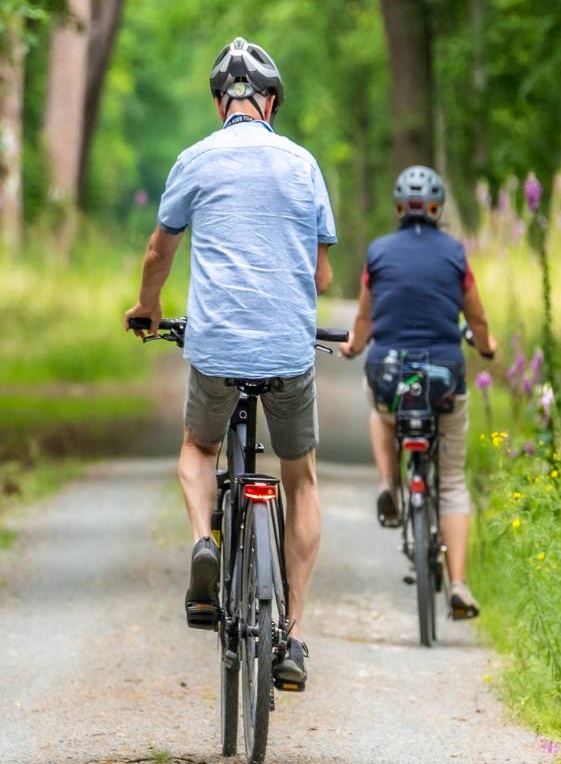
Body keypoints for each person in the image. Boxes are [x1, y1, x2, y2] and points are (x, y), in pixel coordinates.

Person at [124, 37, 336, 685]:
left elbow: (158, 256)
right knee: (300, 479)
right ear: (270, 102)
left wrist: (148, 309)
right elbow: (324, 276)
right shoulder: (302, 165)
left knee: (197, 449)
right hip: (288, 351)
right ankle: (292, 639)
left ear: (222, 103)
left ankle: (205, 541)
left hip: (216, 346)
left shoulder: (194, 159)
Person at [339, 165, 497, 619]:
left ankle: (389, 484)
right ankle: (460, 585)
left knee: (380, 411)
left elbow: (365, 320)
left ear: (397, 208)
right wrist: (487, 347)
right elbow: (479, 320)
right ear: (437, 208)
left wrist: (354, 345)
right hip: (444, 378)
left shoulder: (378, 253)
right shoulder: (455, 254)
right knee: (450, 482)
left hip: (391, 375)